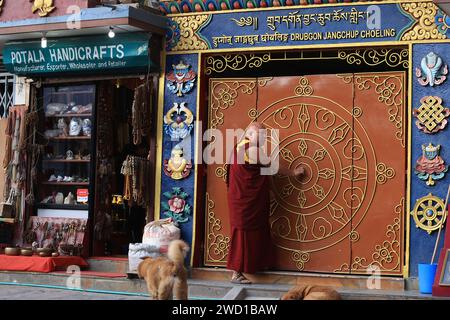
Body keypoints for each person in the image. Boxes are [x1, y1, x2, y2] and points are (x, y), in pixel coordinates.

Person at [226, 122, 305, 284]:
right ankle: (236, 273)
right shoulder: (252, 150)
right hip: (246, 202)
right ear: (251, 134)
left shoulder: (238, 147)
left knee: (255, 231)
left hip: (242, 198)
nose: (264, 140)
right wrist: (294, 173)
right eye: (261, 136)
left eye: (265, 137)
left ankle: (257, 264)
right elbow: (273, 167)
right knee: (243, 234)